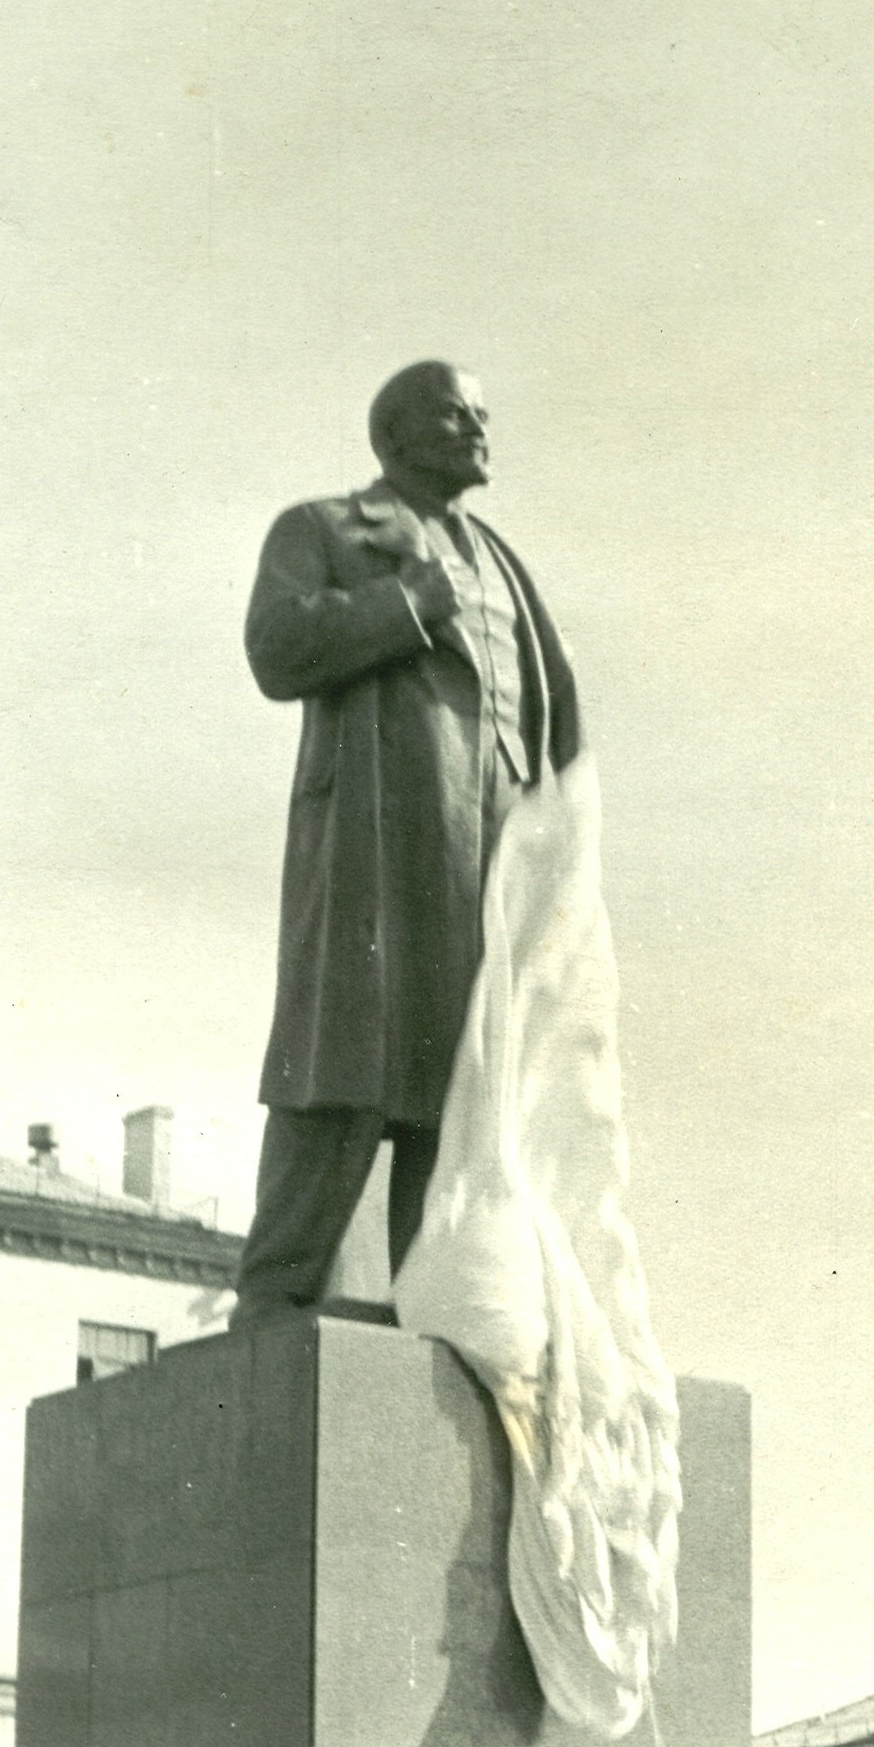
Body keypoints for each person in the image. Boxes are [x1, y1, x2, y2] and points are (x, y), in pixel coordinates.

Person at [233, 361, 583, 1322]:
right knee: (339, 1069)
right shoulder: (325, 529)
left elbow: (549, 722)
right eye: (451, 414)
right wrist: (406, 604)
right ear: (392, 435)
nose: (476, 428)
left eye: (483, 414)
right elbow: (276, 647)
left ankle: (436, 1297)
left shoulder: (505, 566)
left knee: (463, 1095)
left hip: (488, 867)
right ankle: (279, 1291)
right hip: (377, 851)